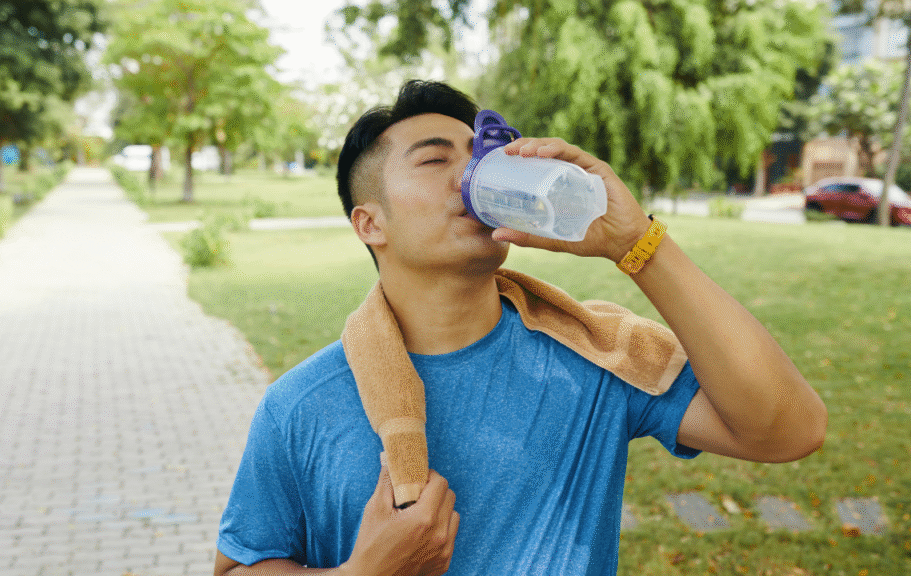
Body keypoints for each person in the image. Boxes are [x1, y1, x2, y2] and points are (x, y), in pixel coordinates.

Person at [213, 80, 827, 576]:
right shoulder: (299, 404)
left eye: (479, 156)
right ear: (370, 223)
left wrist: (639, 243)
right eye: (434, 160)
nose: (473, 175)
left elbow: (789, 430)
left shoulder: (595, 355)